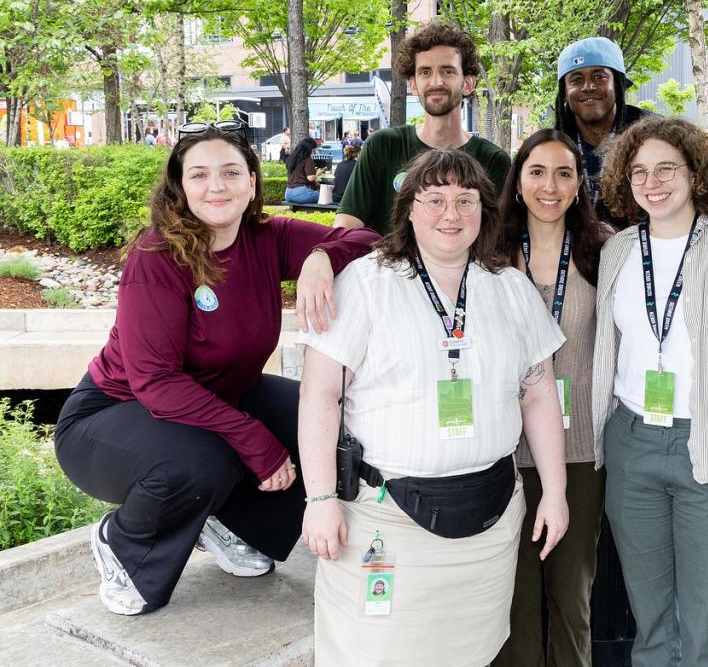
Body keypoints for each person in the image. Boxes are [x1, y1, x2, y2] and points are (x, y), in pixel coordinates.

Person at [53, 120, 377, 616]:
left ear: (252, 182)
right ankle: (124, 544)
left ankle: (234, 525)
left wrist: (319, 256)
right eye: (199, 175)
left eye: (230, 172)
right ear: (181, 187)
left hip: (221, 397)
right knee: (204, 460)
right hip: (113, 414)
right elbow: (155, 381)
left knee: (329, 419)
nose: (217, 186)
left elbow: (369, 242)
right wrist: (254, 440)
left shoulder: (268, 237)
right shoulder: (156, 255)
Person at [298, 148, 569, 667]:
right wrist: (319, 498)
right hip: (387, 522)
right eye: (436, 199)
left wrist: (554, 494)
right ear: (408, 209)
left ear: (485, 211)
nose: (452, 214)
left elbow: (538, 394)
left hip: (488, 525)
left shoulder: (510, 289)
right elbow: (319, 395)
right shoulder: (365, 283)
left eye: (466, 200)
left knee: (475, 651)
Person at [592, 116, 708, 666]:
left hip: (704, 444)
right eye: (638, 172)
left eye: (666, 168)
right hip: (631, 443)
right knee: (651, 616)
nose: (652, 182)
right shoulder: (618, 251)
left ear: (695, 173)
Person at [492, 129, 612, 667]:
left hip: (580, 449)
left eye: (565, 173)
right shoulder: (487, 254)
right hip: (501, 448)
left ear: (579, 185)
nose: (550, 185)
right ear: (518, 182)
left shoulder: (604, 250)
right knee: (512, 601)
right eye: (537, 171)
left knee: (572, 597)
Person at [334, 21, 510, 234]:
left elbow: (497, 241)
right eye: (425, 72)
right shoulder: (383, 146)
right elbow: (345, 229)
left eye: (447, 71)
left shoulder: (492, 160)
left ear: (468, 84)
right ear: (413, 84)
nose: (436, 82)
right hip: (386, 266)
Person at [553, 36, 653, 224]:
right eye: (576, 80)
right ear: (565, 92)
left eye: (599, 77)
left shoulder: (653, 134)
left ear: (617, 83)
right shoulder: (551, 144)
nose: (588, 87)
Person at [284, 137, 323, 204]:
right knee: (325, 196)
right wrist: (318, 173)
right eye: (314, 149)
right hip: (301, 193)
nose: (315, 151)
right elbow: (310, 178)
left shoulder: (292, 158)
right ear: (310, 148)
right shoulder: (308, 159)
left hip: (288, 194)